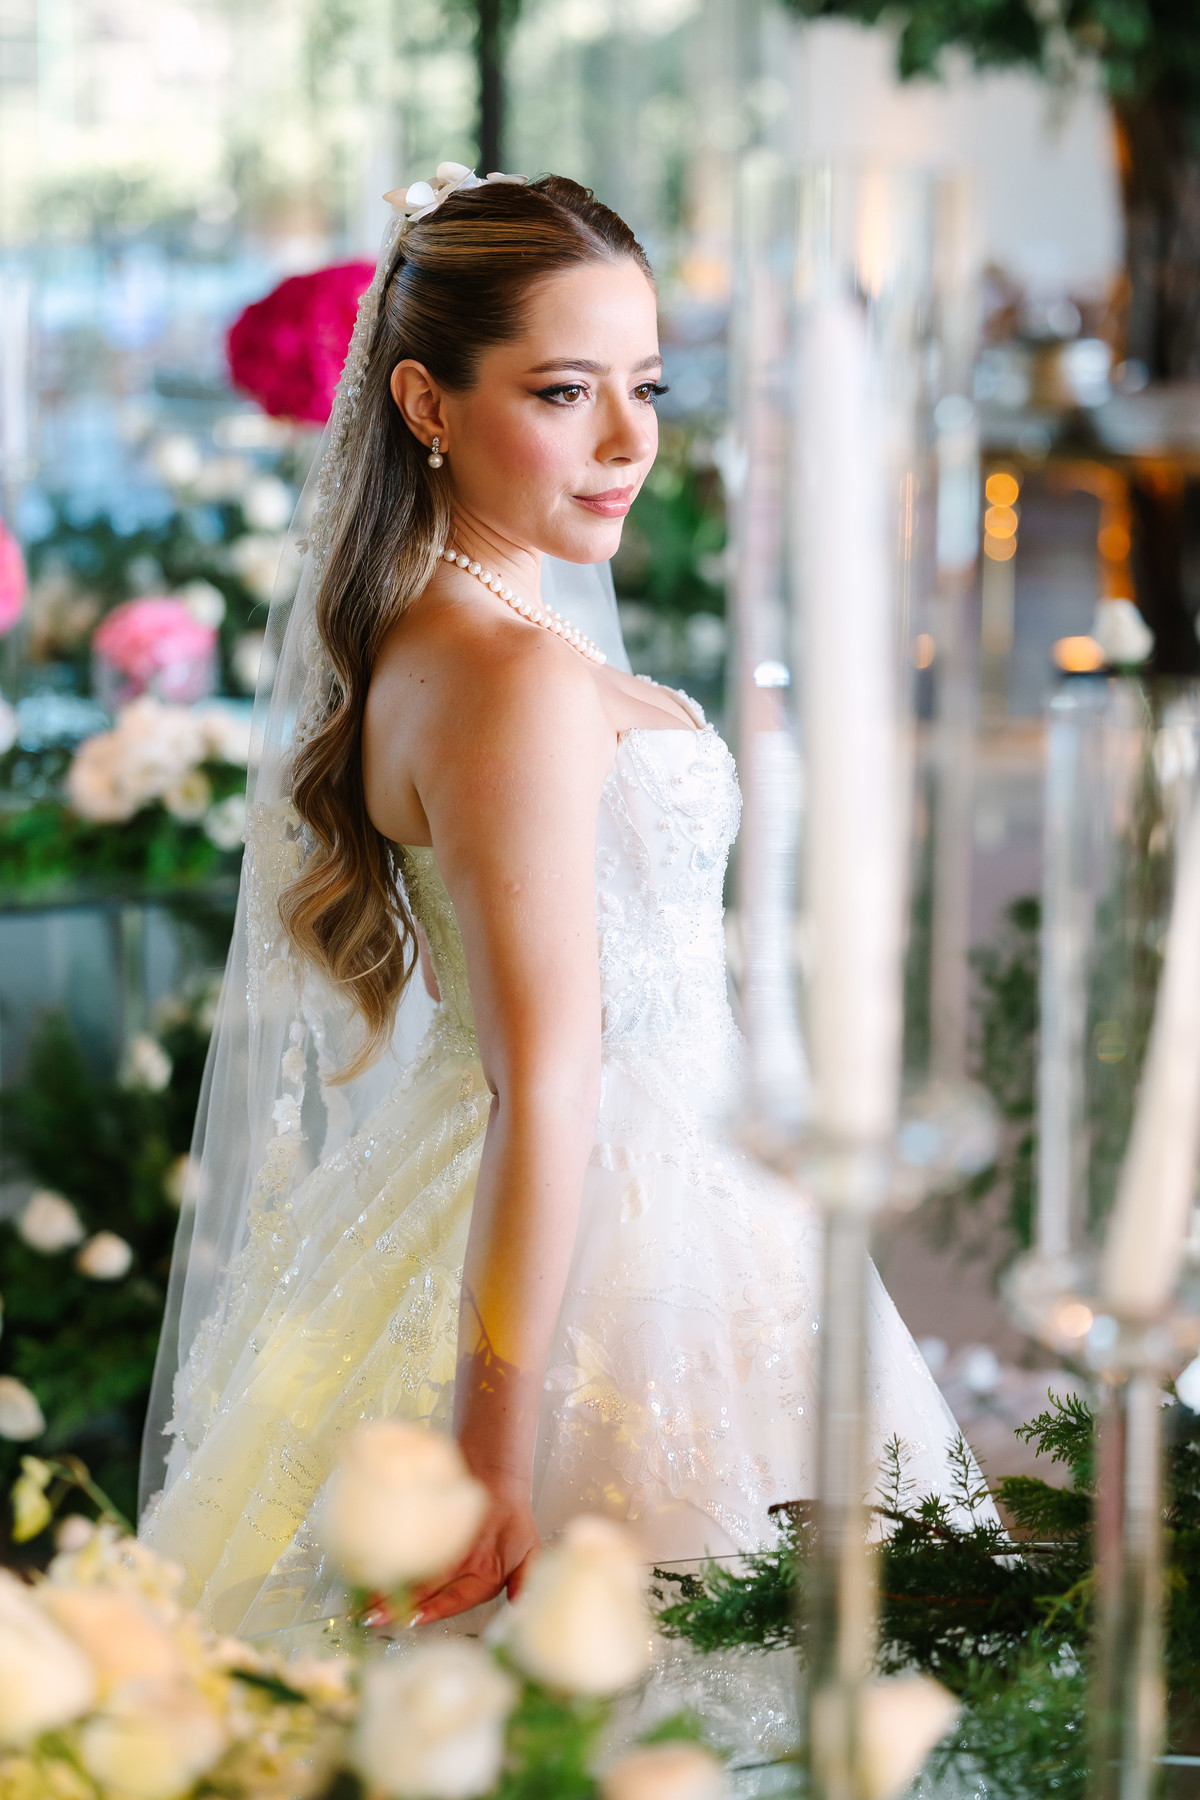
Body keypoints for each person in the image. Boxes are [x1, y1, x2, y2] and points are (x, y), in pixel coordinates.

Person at [140, 167, 973, 1640]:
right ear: (426, 402)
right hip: (617, 1229)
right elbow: (546, 1079)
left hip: (657, 1183)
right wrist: (493, 1457)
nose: (629, 440)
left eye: (646, 385)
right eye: (565, 392)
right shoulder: (509, 672)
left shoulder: (462, 634)